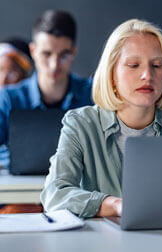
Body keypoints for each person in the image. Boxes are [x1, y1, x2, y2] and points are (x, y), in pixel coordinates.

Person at [40, 19, 162, 218]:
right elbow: (54, 195)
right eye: (133, 65)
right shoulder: (81, 123)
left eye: (156, 65)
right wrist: (114, 205)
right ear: (112, 74)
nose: (147, 75)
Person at [0, 10, 93, 214]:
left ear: (74, 52)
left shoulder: (93, 94)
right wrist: (14, 158)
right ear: (33, 51)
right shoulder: (8, 98)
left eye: (64, 55)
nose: (54, 65)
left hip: (78, 196)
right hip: (20, 199)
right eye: (46, 53)